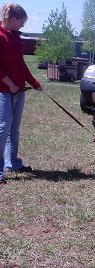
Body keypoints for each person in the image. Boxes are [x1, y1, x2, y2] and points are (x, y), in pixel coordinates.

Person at [0, 3, 43, 184]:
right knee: (2, 129)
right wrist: (10, 85)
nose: (23, 25)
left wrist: (33, 82)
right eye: (22, 21)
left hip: (18, 91)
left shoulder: (16, 38)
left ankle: (13, 163)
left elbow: (21, 65)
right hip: (4, 91)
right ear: (12, 19)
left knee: (13, 130)